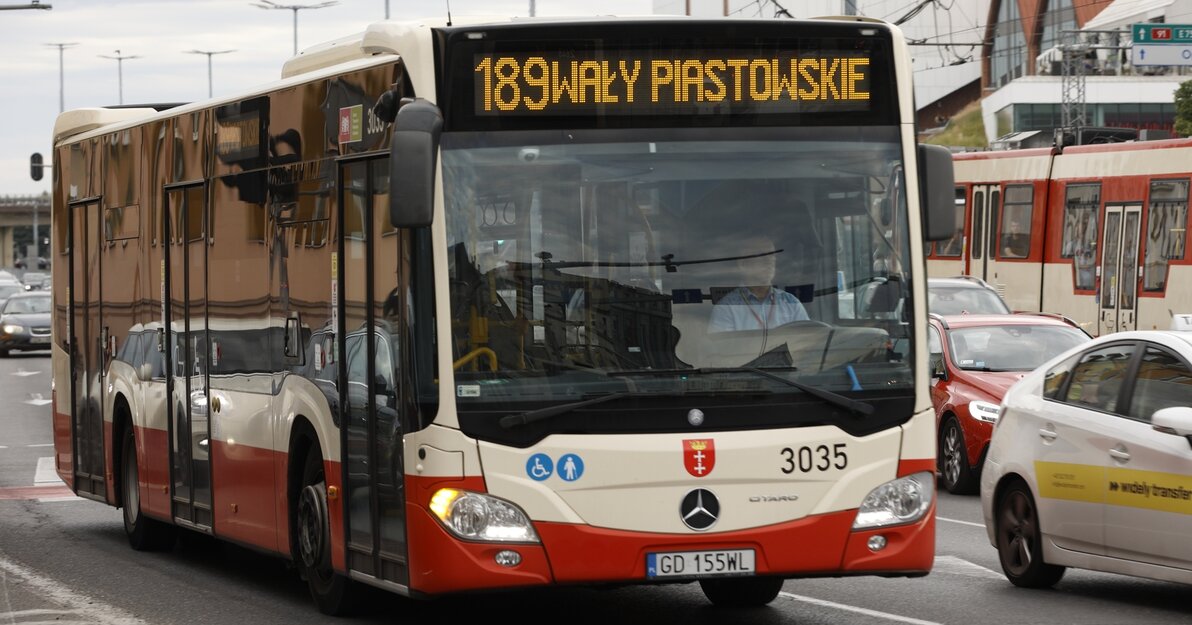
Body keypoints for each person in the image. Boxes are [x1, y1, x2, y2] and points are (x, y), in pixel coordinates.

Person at [708, 234, 810, 332]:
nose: (770, 260)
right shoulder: (726, 308)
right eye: (762, 255)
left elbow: (807, 342)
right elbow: (723, 348)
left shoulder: (791, 303)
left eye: (772, 255)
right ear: (742, 263)